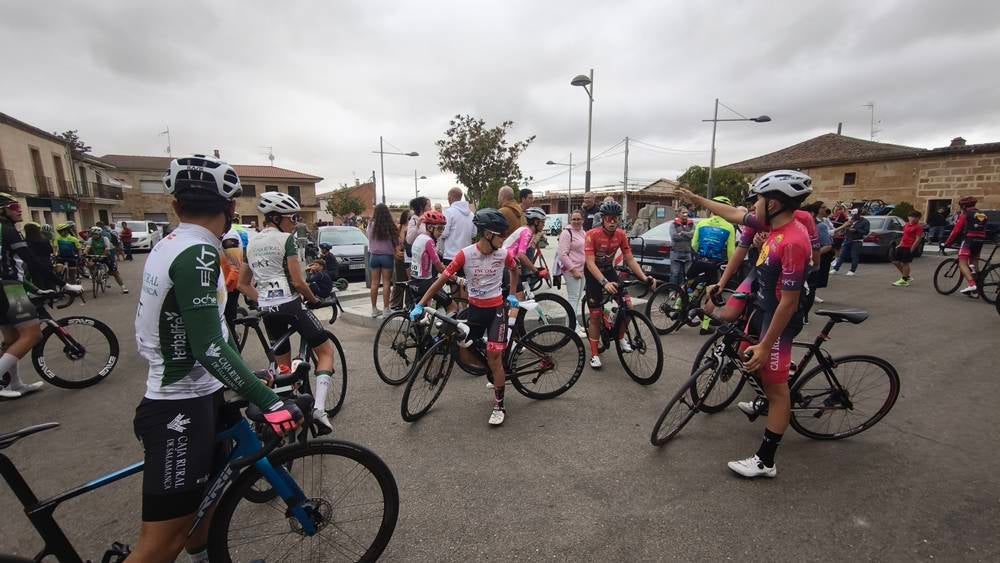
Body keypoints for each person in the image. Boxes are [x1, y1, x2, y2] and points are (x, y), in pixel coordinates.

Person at [131, 154, 303, 562]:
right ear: (230, 210)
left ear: (175, 206)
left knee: (200, 514)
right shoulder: (200, 255)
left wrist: (248, 375)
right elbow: (208, 347)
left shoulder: (171, 243)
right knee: (160, 546)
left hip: (193, 393)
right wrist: (271, 401)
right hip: (179, 406)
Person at [678, 169, 813, 479]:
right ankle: (765, 393)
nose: (754, 206)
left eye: (761, 199)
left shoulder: (792, 240)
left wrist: (766, 345)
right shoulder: (771, 225)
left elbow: (789, 303)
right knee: (743, 351)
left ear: (775, 204)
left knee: (776, 389)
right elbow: (734, 214)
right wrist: (697, 199)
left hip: (781, 316)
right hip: (765, 304)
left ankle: (766, 461)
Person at [239, 190, 337, 433]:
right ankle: (319, 410)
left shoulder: (250, 243)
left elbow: (242, 283)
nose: (294, 223)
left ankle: (286, 411)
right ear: (275, 218)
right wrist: (313, 299)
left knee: (283, 368)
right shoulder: (286, 240)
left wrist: (262, 299)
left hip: (267, 309)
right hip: (291, 304)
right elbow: (298, 282)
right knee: (325, 350)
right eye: (291, 218)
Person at [410, 209, 519, 425]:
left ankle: (499, 404)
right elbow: (440, 281)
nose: (504, 239)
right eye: (501, 235)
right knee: (463, 351)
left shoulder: (503, 254)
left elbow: (516, 271)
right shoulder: (465, 254)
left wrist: (513, 294)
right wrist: (421, 305)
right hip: (476, 310)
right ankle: (492, 370)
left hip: (496, 310)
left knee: (494, 357)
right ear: (488, 234)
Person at [584, 200, 657, 369]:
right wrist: (604, 283)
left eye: (615, 219)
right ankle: (595, 354)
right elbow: (590, 263)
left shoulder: (621, 234)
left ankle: (621, 337)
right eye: (608, 218)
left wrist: (644, 277)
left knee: (628, 307)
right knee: (595, 316)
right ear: (602, 219)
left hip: (609, 270)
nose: (612, 222)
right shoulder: (592, 234)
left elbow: (629, 259)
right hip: (594, 274)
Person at [690, 196, 737, 333]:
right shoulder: (729, 227)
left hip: (699, 260)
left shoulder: (702, 223)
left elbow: (694, 244)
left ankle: (679, 305)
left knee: (688, 281)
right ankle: (705, 327)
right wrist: (731, 267)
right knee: (712, 292)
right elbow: (731, 252)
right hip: (714, 264)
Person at [408, 210, 455, 313]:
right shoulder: (429, 241)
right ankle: (445, 329)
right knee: (453, 307)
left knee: (421, 315)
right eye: (439, 228)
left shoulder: (419, 238)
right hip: (426, 283)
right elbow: (438, 267)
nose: (441, 232)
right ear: (430, 227)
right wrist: (455, 278)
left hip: (414, 281)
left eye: (443, 228)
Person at [944, 196, 989, 294]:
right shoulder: (983, 214)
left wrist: (947, 243)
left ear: (964, 206)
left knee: (962, 263)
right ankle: (977, 288)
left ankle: (972, 285)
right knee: (974, 263)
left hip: (969, 240)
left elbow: (956, 230)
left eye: (961, 206)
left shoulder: (965, 214)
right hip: (980, 240)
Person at [801, 202, 834, 323]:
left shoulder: (820, 226)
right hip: (798, 264)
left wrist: (813, 254)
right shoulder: (798, 226)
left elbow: (828, 246)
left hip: (812, 264)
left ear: (812, 214)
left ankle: (804, 316)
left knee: (809, 290)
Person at [366, 203, 398, 317]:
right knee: (386, 283)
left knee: (374, 283)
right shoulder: (389, 225)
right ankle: (386, 309)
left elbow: (368, 238)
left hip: (374, 256)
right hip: (387, 257)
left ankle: (374, 309)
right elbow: (396, 241)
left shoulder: (370, 225)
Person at [558, 209, 587, 336]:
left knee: (577, 298)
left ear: (583, 220)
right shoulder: (566, 233)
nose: (576, 221)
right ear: (570, 220)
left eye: (578, 219)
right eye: (574, 219)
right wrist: (573, 270)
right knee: (573, 298)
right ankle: (571, 327)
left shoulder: (583, 232)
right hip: (572, 271)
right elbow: (562, 254)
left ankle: (573, 322)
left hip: (582, 270)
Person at [505, 207, 549, 283]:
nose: (544, 225)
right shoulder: (527, 232)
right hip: (505, 264)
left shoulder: (526, 230)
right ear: (536, 222)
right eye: (542, 222)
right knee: (518, 292)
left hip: (509, 262)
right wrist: (536, 271)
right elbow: (521, 255)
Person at [84, 226, 129, 294]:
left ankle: (123, 287)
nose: (93, 236)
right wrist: (85, 253)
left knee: (114, 273)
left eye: (95, 234)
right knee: (89, 264)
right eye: (92, 234)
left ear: (99, 234)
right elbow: (87, 247)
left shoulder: (105, 239)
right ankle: (93, 274)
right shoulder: (90, 239)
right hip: (96, 256)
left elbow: (107, 249)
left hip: (106, 256)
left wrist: (103, 256)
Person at [440, 187, 475, 266]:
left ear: (450, 198)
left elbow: (443, 233)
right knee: (464, 278)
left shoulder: (449, 212)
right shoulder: (471, 214)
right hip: (466, 256)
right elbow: (474, 234)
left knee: (451, 278)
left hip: (450, 256)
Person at [890, 210, 924, 287]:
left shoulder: (918, 227)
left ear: (918, 218)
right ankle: (907, 276)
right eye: (911, 217)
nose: (912, 219)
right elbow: (904, 235)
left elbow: (918, 239)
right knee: (895, 261)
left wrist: (912, 248)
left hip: (909, 247)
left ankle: (904, 280)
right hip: (902, 246)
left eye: (915, 217)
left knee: (905, 263)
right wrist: (900, 244)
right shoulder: (907, 225)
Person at [830, 209, 869, 276]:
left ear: (859, 214)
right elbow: (845, 228)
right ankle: (835, 269)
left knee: (854, 256)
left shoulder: (865, 222)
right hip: (847, 240)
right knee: (842, 255)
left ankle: (852, 270)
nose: (853, 216)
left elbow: (866, 232)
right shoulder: (850, 220)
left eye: (855, 215)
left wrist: (856, 230)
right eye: (852, 215)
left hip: (857, 241)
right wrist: (846, 229)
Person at [389, 210, 411, 311]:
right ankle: (396, 304)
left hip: (409, 257)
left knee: (409, 282)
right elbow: (393, 242)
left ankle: (408, 303)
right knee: (398, 281)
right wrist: (396, 251)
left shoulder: (412, 228)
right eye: (409, 216)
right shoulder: (399, 228)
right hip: (399, 258)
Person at [667, 209, 695, 286]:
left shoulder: (692, 224)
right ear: (678, 214)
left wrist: (682, 233)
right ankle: (672, 292)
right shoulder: (673, 224)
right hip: (675, 253)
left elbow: (693, 235)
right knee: (674, 274)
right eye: (683, 212)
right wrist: (688, 235)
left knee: (687, 274)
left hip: (688, 253)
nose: (685, 214)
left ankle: (683, 292)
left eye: (686, 212)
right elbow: (674, 236)